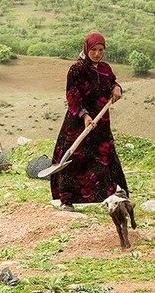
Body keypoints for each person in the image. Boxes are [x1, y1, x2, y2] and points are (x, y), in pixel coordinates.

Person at [50, 32, 128, 212]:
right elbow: (72, 96)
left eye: (101, 50)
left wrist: (117, 88)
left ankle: (113, 193)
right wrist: (85, 116)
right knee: (73, 158)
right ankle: (67, 200)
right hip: (78, 122)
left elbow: (112, 83)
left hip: (101, 122)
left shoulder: (106, 69)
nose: (97, 54)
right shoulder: (77, 69)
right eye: (93, 50)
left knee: (103, 157)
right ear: (86, 49)